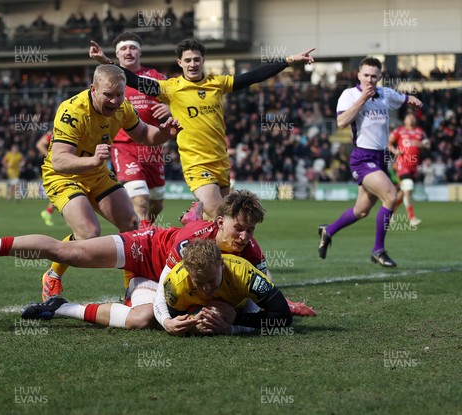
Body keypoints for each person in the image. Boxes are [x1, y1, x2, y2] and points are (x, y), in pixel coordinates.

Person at [0, 191, 316, 331]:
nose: (246, 236)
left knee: (141, 321)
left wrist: (283, 309)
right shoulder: (194, 240)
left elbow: (261, 293)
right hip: (147, 250)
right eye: (240, 227)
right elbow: (167, 289)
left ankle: (60, 308)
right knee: (71, 251)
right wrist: (175, 321)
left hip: (161, 279)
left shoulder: (250, 250)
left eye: (251, 230)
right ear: (220, 221)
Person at [89, 38, 314, 221]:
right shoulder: (171, 88)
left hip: (221, 162)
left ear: (203, 60)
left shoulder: (218, 83)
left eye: (197, 59)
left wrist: (289, 60)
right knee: (221, 216)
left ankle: (194, 224)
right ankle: (241, 262)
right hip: (196, 163)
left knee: (222, 217)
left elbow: (253, 77)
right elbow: (133, 81)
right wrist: (105, 61)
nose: (193, 64)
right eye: (188, 60)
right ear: (180, 63)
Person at [39, 64, 181, 302]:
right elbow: (59, 161)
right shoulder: (72, 110)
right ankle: (53, 275)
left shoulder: (123, 108)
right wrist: (94, 160)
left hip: (96, 172)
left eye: (119, 95)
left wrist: (165, 134)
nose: (115, 101)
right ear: (93, 89)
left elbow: (145, 135)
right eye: (108, 95)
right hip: (64, 175)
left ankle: (130, 289)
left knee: (132, 223)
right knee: (88, 234)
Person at [318, 57, 423, 267]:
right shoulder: (349, 95)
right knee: (391, 197)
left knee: (362, 210)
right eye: (366, 75)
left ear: (379, 77)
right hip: (362, 158)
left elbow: (402, 98)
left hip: (380, 158)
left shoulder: (385, 94)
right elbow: (341, 122)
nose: (369, 79)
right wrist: (362, 100)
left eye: (374, 76)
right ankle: (378, 250)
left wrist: (411, 98)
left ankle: (327, 231)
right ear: (358, 75)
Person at [155, 239, 292, 336]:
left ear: (222, 264)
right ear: (188, 272)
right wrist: (193, 323)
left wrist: (237, 319)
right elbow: (174, 318)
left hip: (243, 302)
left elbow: (284, 316)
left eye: (211, 280)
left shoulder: (243, 273)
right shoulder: (176, 283)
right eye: (199, 282)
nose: (207, 288)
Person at [110, 32, 171, 229]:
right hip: (124, 146)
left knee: (156, 204)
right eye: (124, 49)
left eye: (132, 47)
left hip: (153, 146)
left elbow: (179, 99)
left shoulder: (155, 77)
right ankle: (143, 243)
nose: (128, 52)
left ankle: (142, 229)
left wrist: (172, 108)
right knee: (141, 199)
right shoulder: (110, 78)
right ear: (117, 54)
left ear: (140, 52)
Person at [388, 113, 429, 226]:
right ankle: (412, 218)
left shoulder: (420, 131)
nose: (410, 118)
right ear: (404, 120)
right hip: (402, 164)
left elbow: (428, 145)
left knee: (403, 191)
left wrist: (422, 144)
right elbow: (388, 143)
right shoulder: (399, 130)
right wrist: (395, 151)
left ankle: (390, 213)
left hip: (414, 166)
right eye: (408, 116)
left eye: (412, 116)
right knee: (409, 188)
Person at [35, 131, 56, 226]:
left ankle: (48, 211)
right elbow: (39, 144)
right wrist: (50, 157)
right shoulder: (56, 131)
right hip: (56, 166)